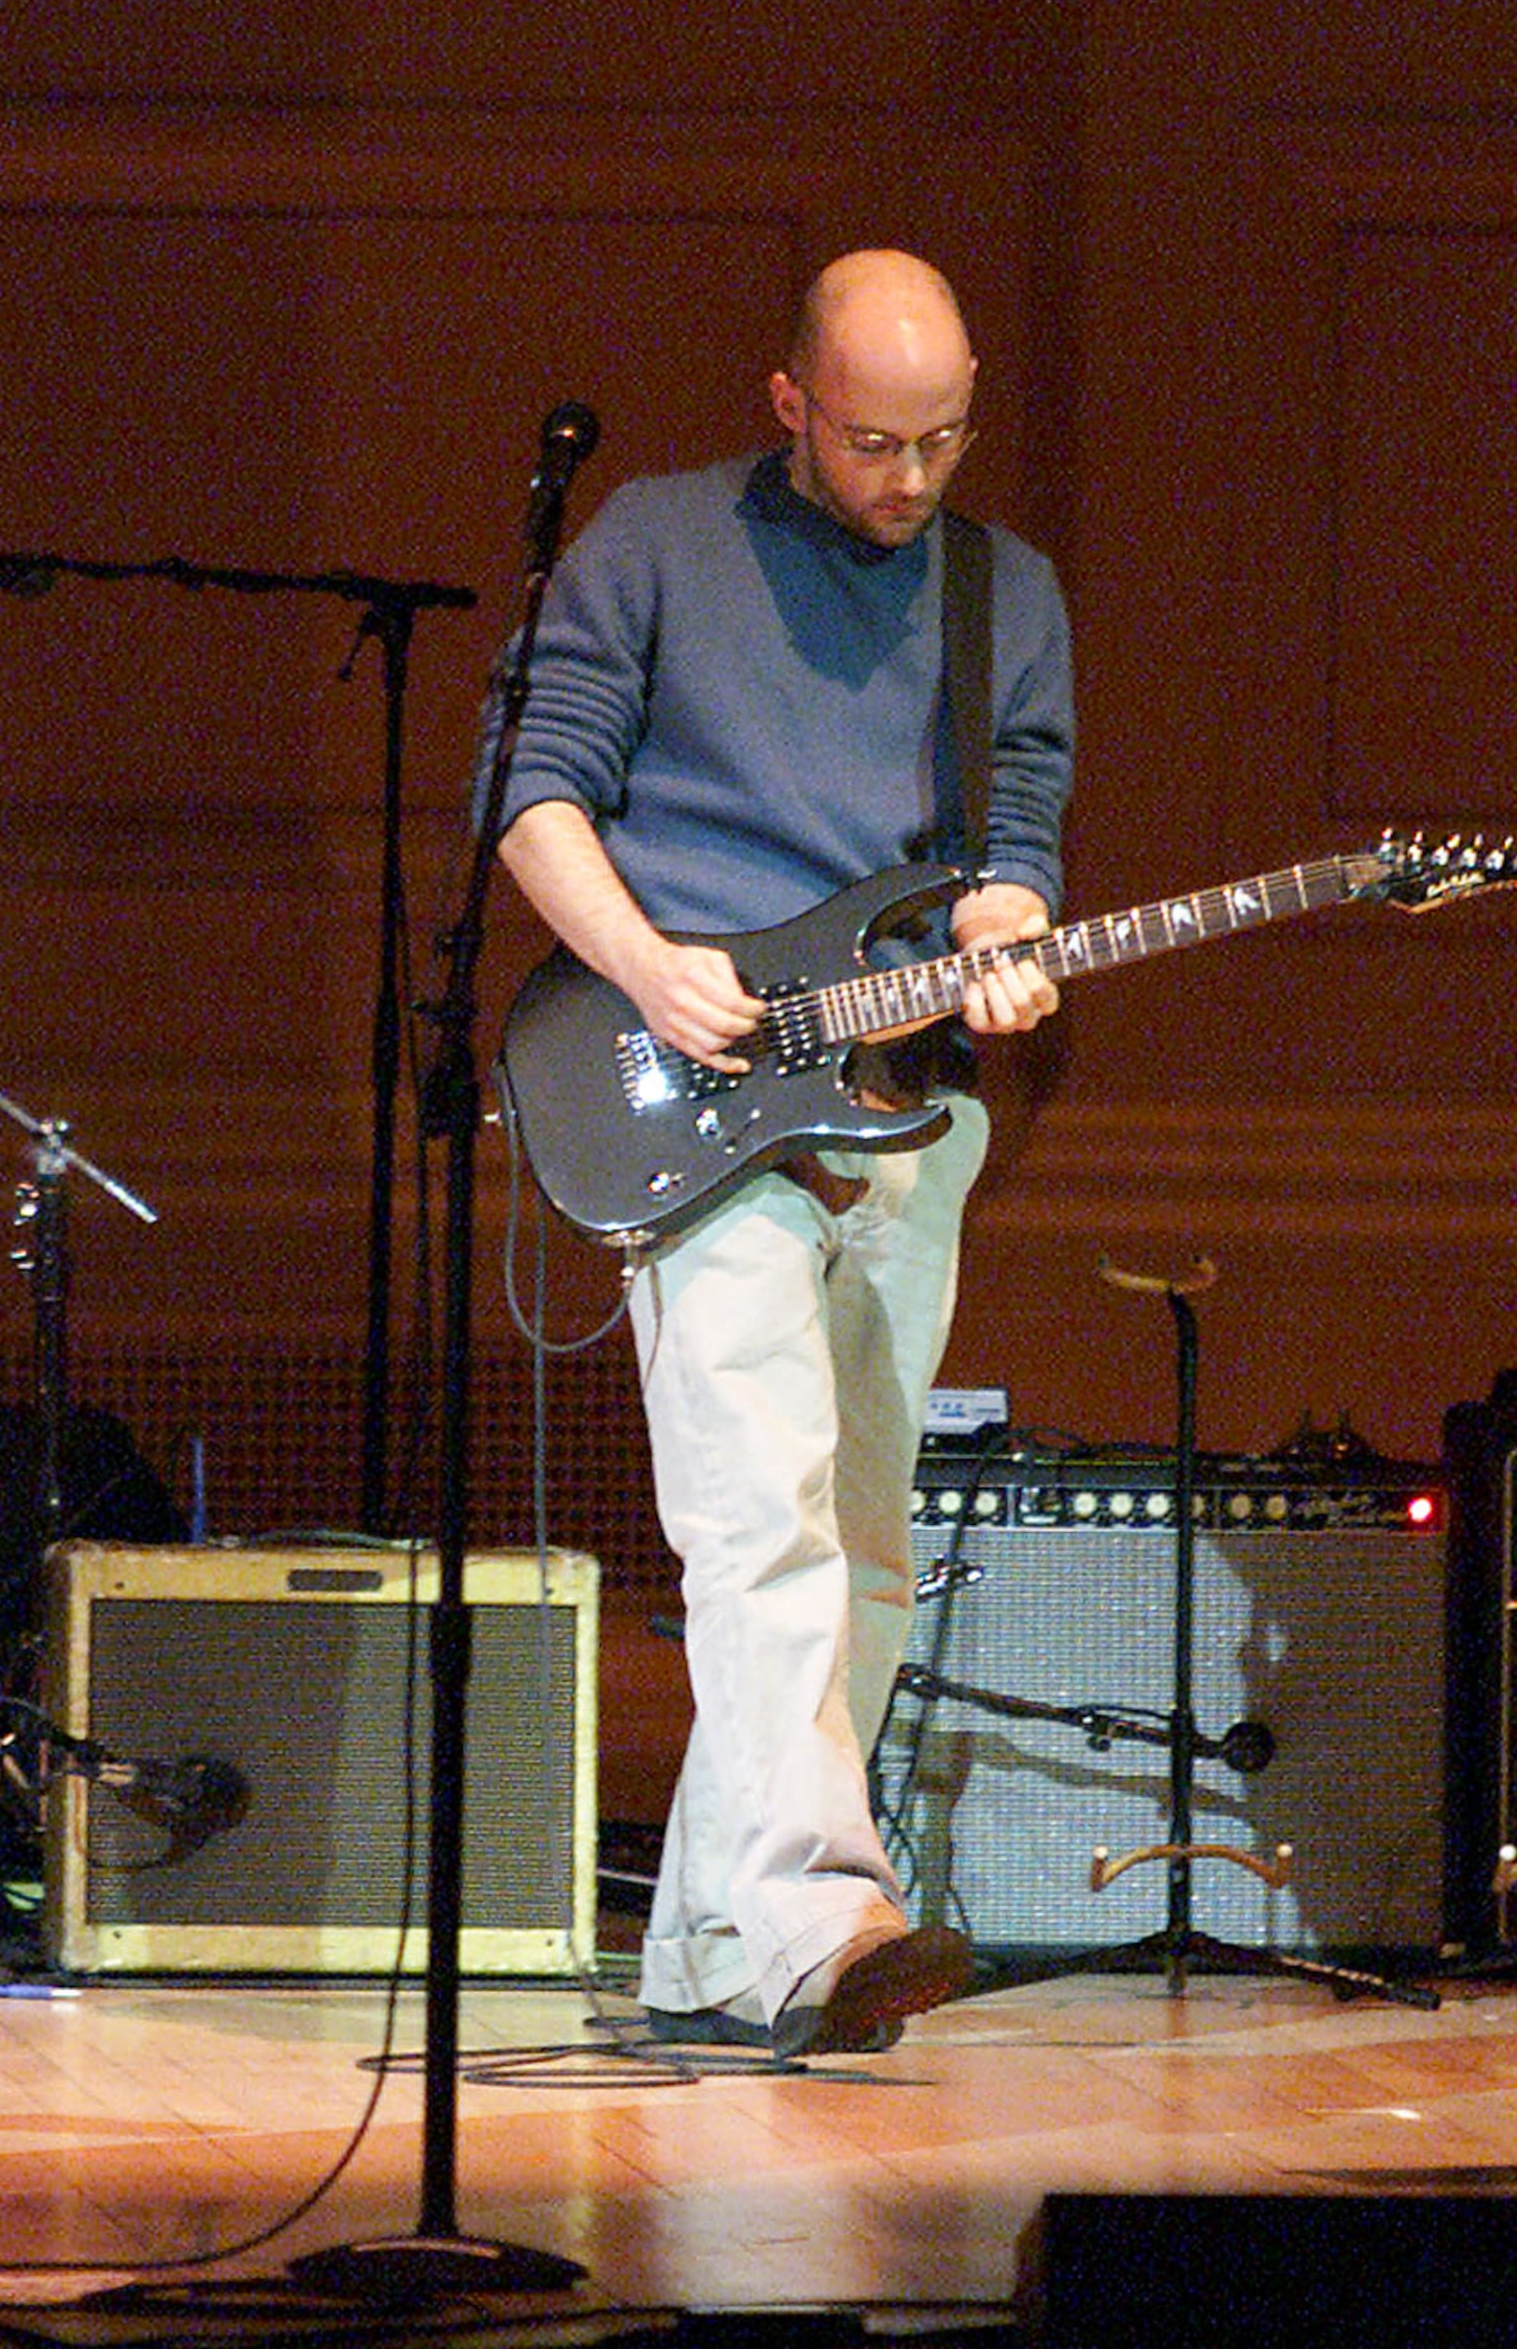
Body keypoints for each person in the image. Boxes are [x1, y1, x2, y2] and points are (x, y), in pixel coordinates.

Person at [483, 250, 1070, 2057]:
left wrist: (1012, 911)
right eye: (875, 440)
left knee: (870, 1545)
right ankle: (825, 1915)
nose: (909, 479)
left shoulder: (1004, 590)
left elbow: (1018, 813)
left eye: (943, 440)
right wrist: (647, 969)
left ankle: (713, 1959)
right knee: (762, 1524)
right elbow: (536, 793)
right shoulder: (650, 546)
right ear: (790, 404)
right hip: (700, 1088)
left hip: (901, 1096)